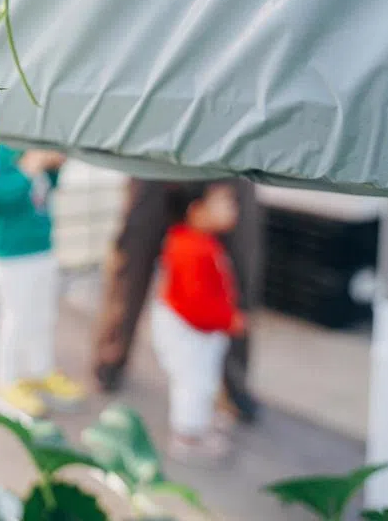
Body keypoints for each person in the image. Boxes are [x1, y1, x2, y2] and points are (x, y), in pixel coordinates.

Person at [92, 177, 262, 423]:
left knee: (239, 265)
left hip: (230, 166)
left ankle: (234, 385)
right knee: (133, 257)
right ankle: (110, 358)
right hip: (156, 164)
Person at [0, 145, 86, 417]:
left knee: (43, 316)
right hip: (10, 255)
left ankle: (39, 370)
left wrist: (54, 166)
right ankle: (4, 379)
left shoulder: (32, 145)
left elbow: (46, 188)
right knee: (15, 320)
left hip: (41, 247)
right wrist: (29, 169)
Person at [151, 182, 244, 463]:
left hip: (198, 330)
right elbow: (196, 304)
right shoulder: (192, 249)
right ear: (197, 211)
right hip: (190, 331)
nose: (233, 209)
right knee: (194, 382)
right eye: (224, 203)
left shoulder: (196, 241)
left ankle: (201, 419)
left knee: (203, 379)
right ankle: (188, 436)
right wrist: (228, 320)